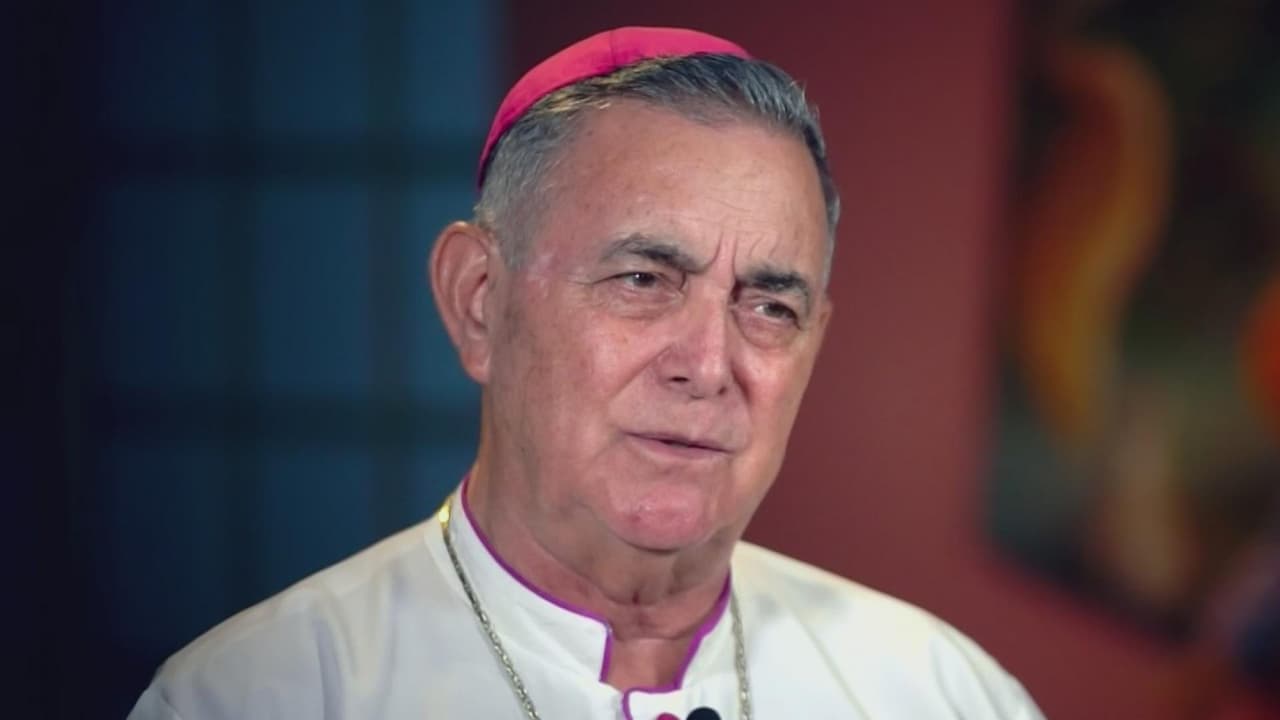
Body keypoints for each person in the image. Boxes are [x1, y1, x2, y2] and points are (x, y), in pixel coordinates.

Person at [129, 26, 1045, 719]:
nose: (709, 366)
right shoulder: (264, 693)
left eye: (770, 306)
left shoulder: (940, 691)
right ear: (480, 301)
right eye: (642, 280)